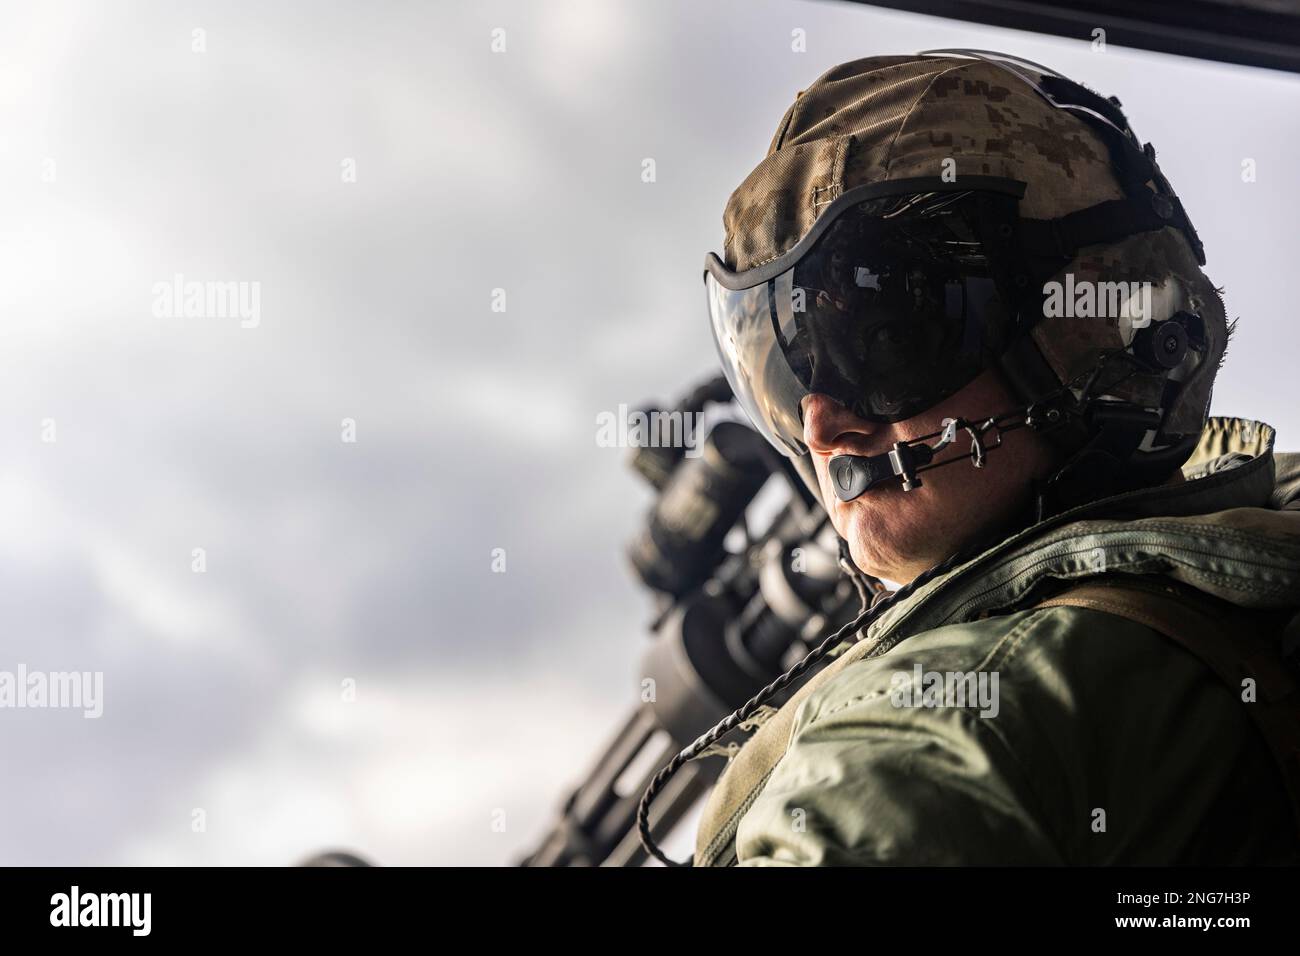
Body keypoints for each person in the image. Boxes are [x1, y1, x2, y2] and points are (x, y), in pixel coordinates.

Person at [683, 51, 1300, 866]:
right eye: (783, 369)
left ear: (1094, 323)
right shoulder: (1255, 556)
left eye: (890, 341)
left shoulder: (933, 736)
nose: (823, 420)